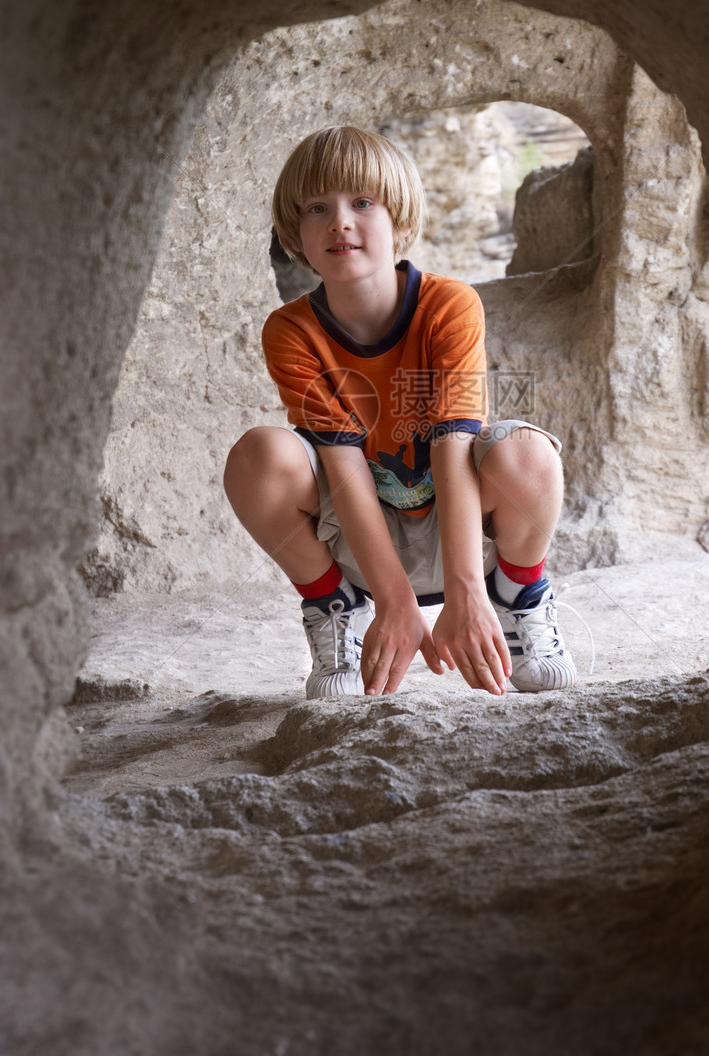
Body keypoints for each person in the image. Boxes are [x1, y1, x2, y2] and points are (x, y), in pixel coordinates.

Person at [223, 124, 577, 699]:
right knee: (259, 456)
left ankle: (519, 601)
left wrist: (466, 589)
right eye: (318, 207)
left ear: (400, 219)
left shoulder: (447, 304)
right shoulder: (291, 330)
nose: (340, 221)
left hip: (463, 538)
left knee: (526, 453)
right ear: (295, 232)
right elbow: (342, 465)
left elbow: (451, 447)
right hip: (361, 549)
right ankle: (336, 608)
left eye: (362, 202)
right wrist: (395, 600)